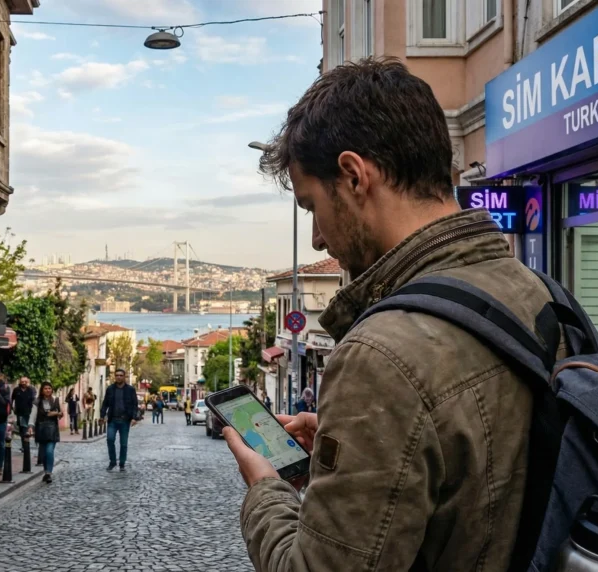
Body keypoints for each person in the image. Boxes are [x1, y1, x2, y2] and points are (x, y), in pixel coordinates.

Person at [223, 58, 556, 571]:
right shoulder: (542, 295)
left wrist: (265, 488)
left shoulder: (383, 357)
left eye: (312, 206)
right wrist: (366, 451)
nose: (316, 238)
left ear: (355, 176)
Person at [100, 369, 139, 472]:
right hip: (112, 420)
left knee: (123, 444)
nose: (119, 377)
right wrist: (102, 416)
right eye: (117, 375)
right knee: (110, 440)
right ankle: (112, 462)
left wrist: (134, 417)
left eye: (121, 375)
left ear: (124, 377)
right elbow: (105, 404)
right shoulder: (110, 389)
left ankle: (122, 463)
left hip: (125, 420)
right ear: (114, 376)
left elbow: (135, 405)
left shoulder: (130, 390)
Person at [27, 381, 63, 483]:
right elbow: (33, 415)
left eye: (49, 388)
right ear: (42, 390)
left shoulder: (55, 399)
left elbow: (59, 414)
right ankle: (46, 471)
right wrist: (30, 426)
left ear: (52, 390)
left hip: (52, 429)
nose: (48, 390)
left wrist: (58, 414)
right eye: (45, 388)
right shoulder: (37, 401)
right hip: (41, 429)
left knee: (49, 451)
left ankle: (48, 473)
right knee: (43, 454)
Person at [11, 376, 35, 453]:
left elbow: (33, 401)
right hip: (20, 413)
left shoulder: (30, 390)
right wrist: (12, 407)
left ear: (27, 382)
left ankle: (26, 445)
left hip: (29, 413)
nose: (23, 383)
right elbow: (12, 399)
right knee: (22, 430)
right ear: (20, 382)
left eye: (25, 381)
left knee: (27, 429)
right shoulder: (16, 390)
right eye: (22, 381)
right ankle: (24, 445)